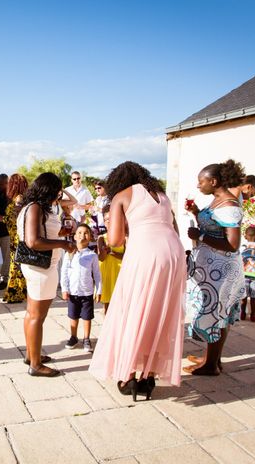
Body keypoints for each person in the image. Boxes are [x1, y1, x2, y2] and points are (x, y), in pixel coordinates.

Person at [88, 161, 186, 400]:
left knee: (132, 309)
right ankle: (149, 375)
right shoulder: (162, 195)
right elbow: (174, 227)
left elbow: (115, 241)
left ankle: (129, 374)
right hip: (174, 253)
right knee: (159, 312)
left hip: (146, 252)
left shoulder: (122, 196)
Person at [184, 159, 245, 376]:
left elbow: (232, 243)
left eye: (201, 182)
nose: (199, 186)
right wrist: (195, 212)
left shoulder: (229, 205)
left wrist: (200, 236)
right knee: (218, 314)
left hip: (222, 270)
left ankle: (211, 365)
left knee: (217, 314)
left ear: (214, 181)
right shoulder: (217, 200)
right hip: (212, 268)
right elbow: (214, 226)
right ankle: (212, 359)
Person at [18, 172, 76, 377]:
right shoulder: (34, 207)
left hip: (41, 267)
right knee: (37, 317)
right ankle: (35, 365)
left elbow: (44, 235)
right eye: (57, 190)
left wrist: (60, 234)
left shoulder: (38, 207)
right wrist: (63, 243)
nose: (59, 194)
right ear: (49, 189)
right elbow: (33, 241)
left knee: (31, 313)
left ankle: (31, 355)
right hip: (41, 269)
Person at [61, 224, 101, 353]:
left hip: (87, 292)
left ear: (90, 237)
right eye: (79, 232)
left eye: (85, 233)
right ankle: (73, 336)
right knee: (73, 316)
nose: (82, 235)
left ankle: (86, 338)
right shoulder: (69, 254)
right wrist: (64, 289)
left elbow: (97, 274)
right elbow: (64, 272)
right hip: (73, 291)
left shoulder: (92, 255)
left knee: (87, 317)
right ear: (74, 236)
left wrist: (98, 290)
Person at [3, 173, 29, 303]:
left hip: (17, 237)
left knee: (16, 265)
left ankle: (15, 293)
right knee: (16, 265)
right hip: (15, 237)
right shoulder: (19, 198)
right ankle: (17, 292)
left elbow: (16, 218)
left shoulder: (19, 199)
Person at [97, 203, 125, 314]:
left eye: (110, 219)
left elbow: (127, 256)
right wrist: (104, 251)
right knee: (107, 305)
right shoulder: (101, 238)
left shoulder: (124, 237)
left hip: (119, 273)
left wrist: (112, 252)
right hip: (107, 273)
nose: (108, 221)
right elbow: (101, 258)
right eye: (106, 219)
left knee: (121, 304)